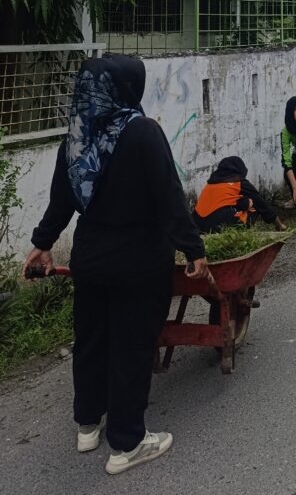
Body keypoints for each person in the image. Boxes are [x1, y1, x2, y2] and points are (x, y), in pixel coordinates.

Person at [22, 55, 207, 476]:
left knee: (91, 339)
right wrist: (193, 249)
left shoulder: (78, 134)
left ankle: (88, 424)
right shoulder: (143, 132)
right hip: (139, 260)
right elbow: (168, 198)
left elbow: (62, 199)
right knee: (131, 346)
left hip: (90, 258)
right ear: (128, 89)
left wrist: (43, 244)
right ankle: (127, 443)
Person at [193, 156, 287, 233]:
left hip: (199, 226)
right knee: (254, 204)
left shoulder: (210, 184)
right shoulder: (239, 182)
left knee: (243, 202)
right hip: (220, 225)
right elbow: (261, 203)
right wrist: (279, 224)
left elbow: (223, 203)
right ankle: (239, 230)